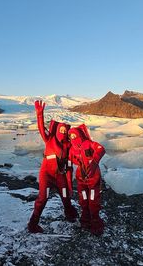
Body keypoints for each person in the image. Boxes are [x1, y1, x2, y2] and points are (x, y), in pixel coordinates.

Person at [27, 100, 78, 233]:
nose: (63, 132)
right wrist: (39, 114)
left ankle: (70, 214)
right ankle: (33, 224)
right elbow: (40, 128)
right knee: (42, 199)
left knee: (65, 196)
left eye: (65, 130)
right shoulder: (50, 139)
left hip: (60, 175)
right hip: (47, 175)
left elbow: (73, 158)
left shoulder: (68, 145)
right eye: (61, 129)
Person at [68, 124, 106, 236]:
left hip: (93, 178)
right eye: (71, 136)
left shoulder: (89, 144)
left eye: (75, 135)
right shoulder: (71, 149)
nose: (73, 138)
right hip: (81, 179)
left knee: (93, 200)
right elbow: (69, 163)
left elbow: (101, 149)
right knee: (84, 199)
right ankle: (85, 220)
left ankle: (95, 222)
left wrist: (94, 162)